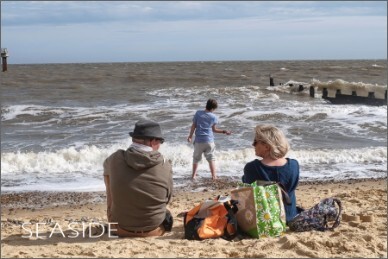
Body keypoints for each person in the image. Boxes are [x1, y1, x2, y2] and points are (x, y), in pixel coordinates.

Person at [103, 119, 173, 237]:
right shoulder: (165, 164)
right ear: (152, 141)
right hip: (154, 229)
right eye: (160, 141)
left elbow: (107, 174)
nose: (160, 145)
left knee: (108, 174)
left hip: (120, 228)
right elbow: (168, 198)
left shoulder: (114, 159)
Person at [242, 124, 299, 224]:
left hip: (264, 219)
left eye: (256, 142)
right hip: (289, 216)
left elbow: (248, 194)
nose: (253, 144)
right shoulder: (294, 165)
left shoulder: (252, 168)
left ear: (267, 146)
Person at [187, 98, 231, 180]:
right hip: (209, 141)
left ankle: (193, 176)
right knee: (211, 158)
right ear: (213, 108)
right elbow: (214, 130)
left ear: (206, 105)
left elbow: (194, 126)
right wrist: (224, 131)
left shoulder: (198, 113)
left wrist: (190, 136)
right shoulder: (214, 117)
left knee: (196, 159)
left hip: (199, 141)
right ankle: (214, 176)